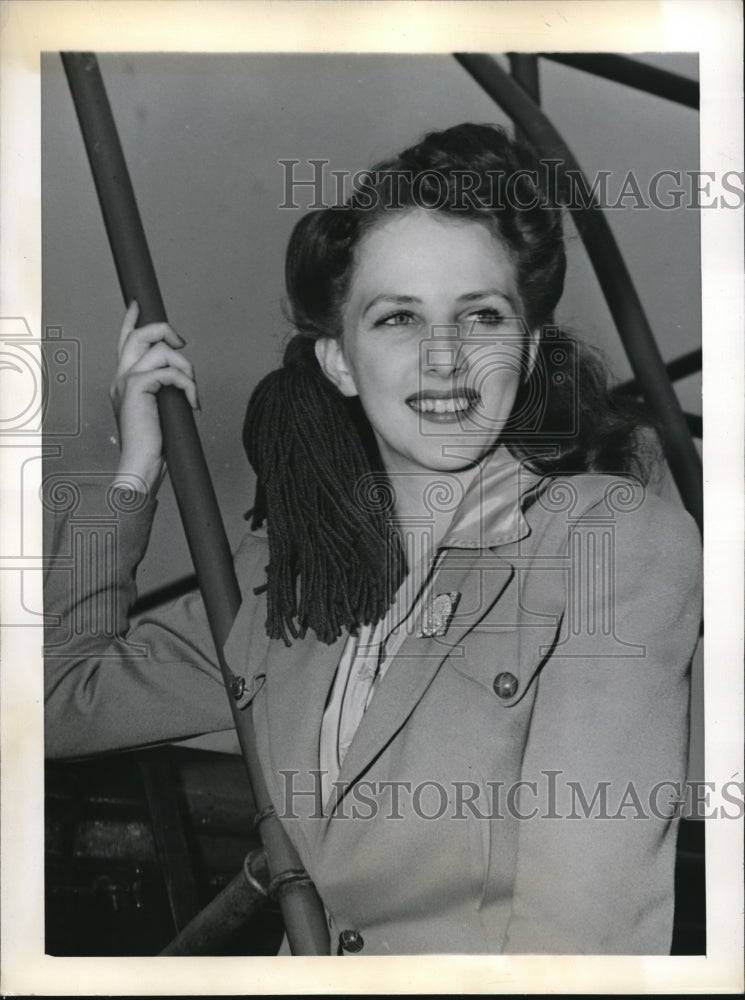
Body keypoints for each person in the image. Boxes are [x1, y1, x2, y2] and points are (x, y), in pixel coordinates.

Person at [44, 123, 702, 955]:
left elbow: (583, 928)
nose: (444, 358)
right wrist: (134, 472)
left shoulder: (605, 540)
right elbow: (52, 702)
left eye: (481, 316)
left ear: (528, 348)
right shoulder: (296, 586)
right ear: (339, 363)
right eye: (397, 318)